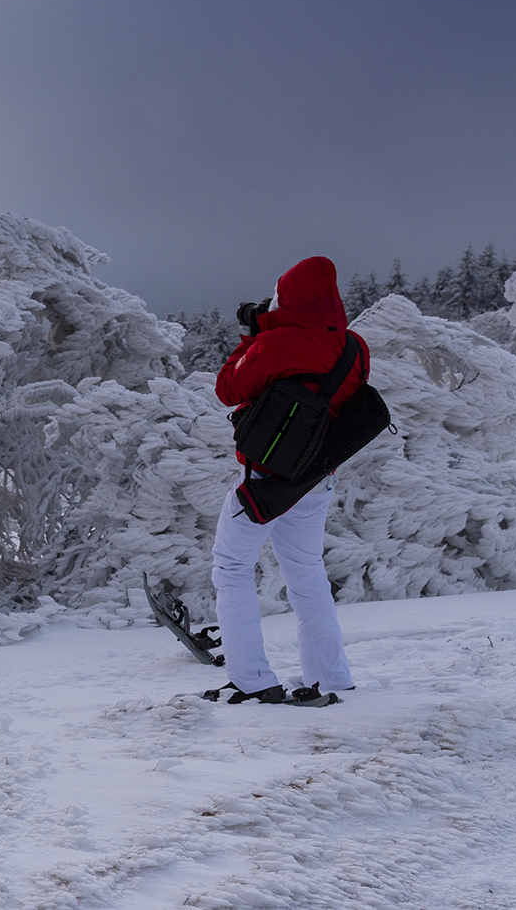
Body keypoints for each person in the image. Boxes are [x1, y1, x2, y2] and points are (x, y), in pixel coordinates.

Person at [205, 255, 368, 707]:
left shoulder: (277, 345)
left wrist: (256, 335)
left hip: (268, 481)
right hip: (317, 480)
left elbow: (227, 388)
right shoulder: (355, 348)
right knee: (307, 575)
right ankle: (332, 676)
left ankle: (252, 679)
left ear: (287, 299)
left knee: (232, 567)